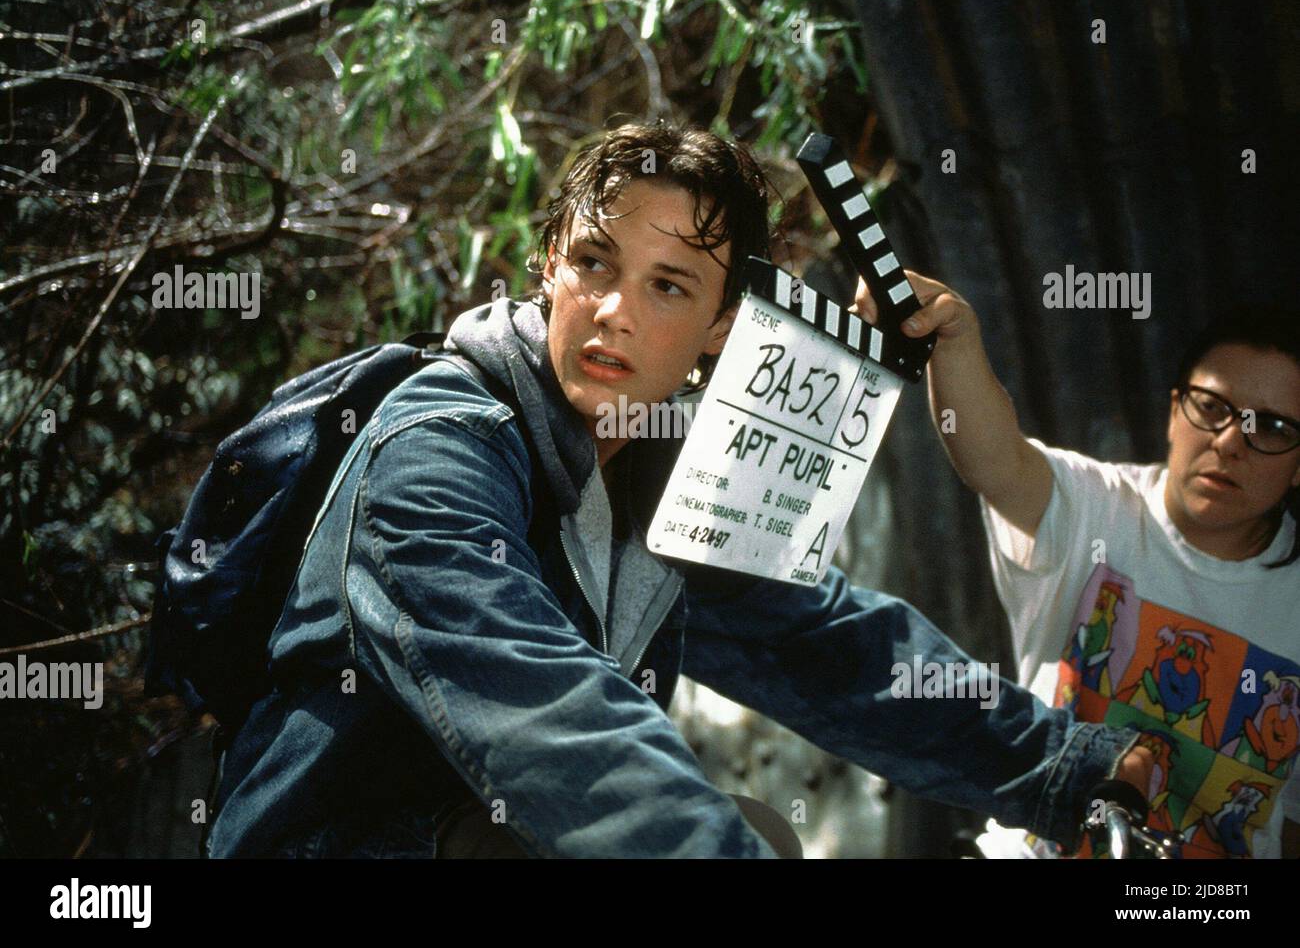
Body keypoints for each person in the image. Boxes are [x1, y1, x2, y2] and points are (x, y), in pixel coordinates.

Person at [205, 119, 1153, 859]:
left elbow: (822, 646)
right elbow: (553, 724)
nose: (613, 310)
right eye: (593, 264)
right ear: (549, 267)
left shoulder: (653, 474)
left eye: (668, 287)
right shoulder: (436, 455)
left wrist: (1068, 769)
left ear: (718, 327)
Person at [852, 271, 1300, 858]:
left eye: (1269, 427)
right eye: (1211, 406)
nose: (1228, 441)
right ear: (1173, 413)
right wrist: (955, 336)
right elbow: (994, 458)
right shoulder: (1095, 508)